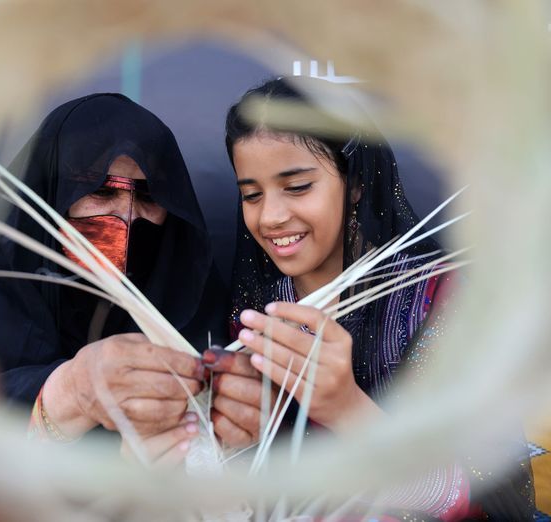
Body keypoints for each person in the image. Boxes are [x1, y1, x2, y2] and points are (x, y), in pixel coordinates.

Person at [208, 77, 534, 519]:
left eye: (298, 187)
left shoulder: (440, 302)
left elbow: (488, 494)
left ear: (356, 183)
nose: (271, 216)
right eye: (251, 194)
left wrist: (347, 409)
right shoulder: (257, 315)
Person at [0, 93, 228, 459]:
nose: (127, 217)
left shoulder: (186, 291)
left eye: (149, 197)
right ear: (53, 192)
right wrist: (71, 391)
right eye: (100, 191)